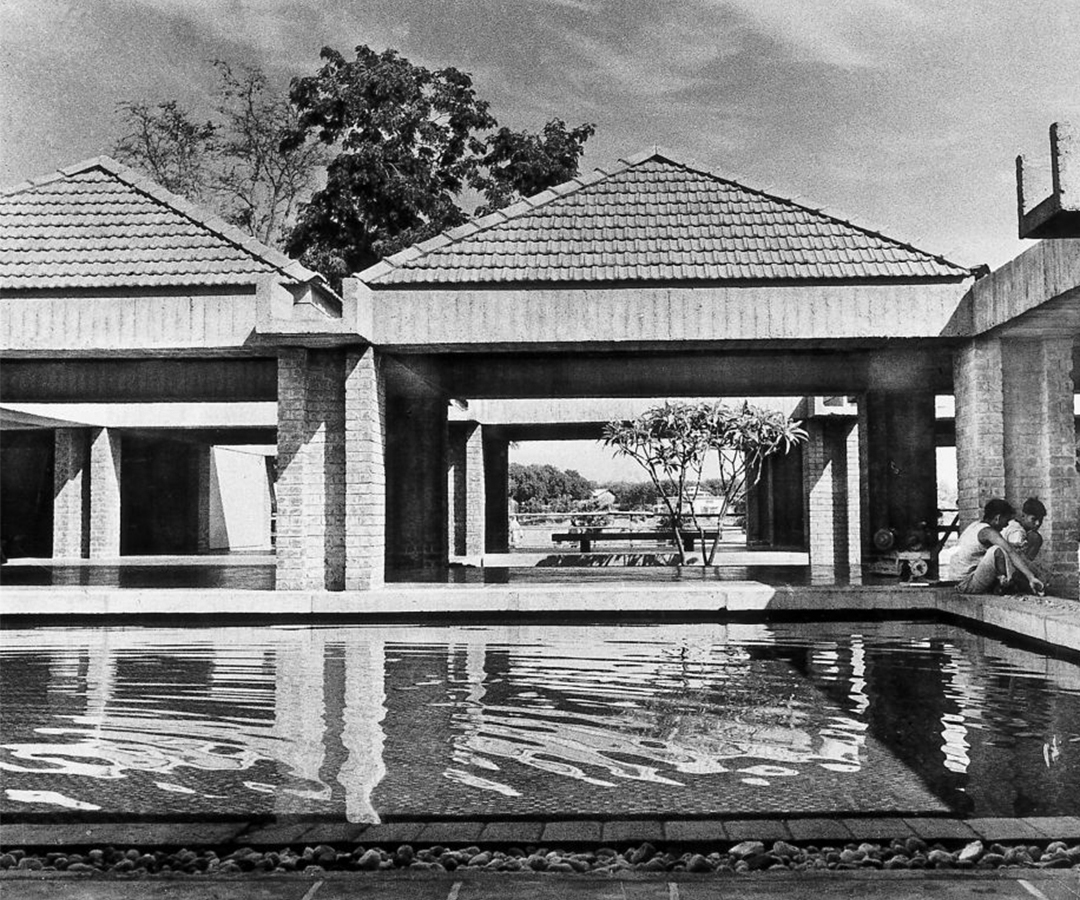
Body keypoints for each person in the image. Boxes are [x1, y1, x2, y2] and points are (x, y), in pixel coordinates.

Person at [947, 498, 1044, 595]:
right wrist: (1030, 576)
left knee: (1004, 550)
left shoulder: (975, 525)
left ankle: (1013, 584)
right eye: (1006, 520)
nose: (1006, 525)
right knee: (998, 551)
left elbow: (1007, 547)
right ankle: (1021, 586)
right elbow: (1009, 551)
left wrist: (1015, 547)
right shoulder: (989, 532)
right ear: (997, 518)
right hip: (964, 584)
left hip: (957, 580)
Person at [1001, 497, 1052, 591]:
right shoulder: (1018, 532)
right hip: (1005, 569)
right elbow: (1015, 558)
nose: (1037, 523)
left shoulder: (1012, 523)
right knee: (1035, 538)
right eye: (1034, 519)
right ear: (1023, 516)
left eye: (1040, 520)